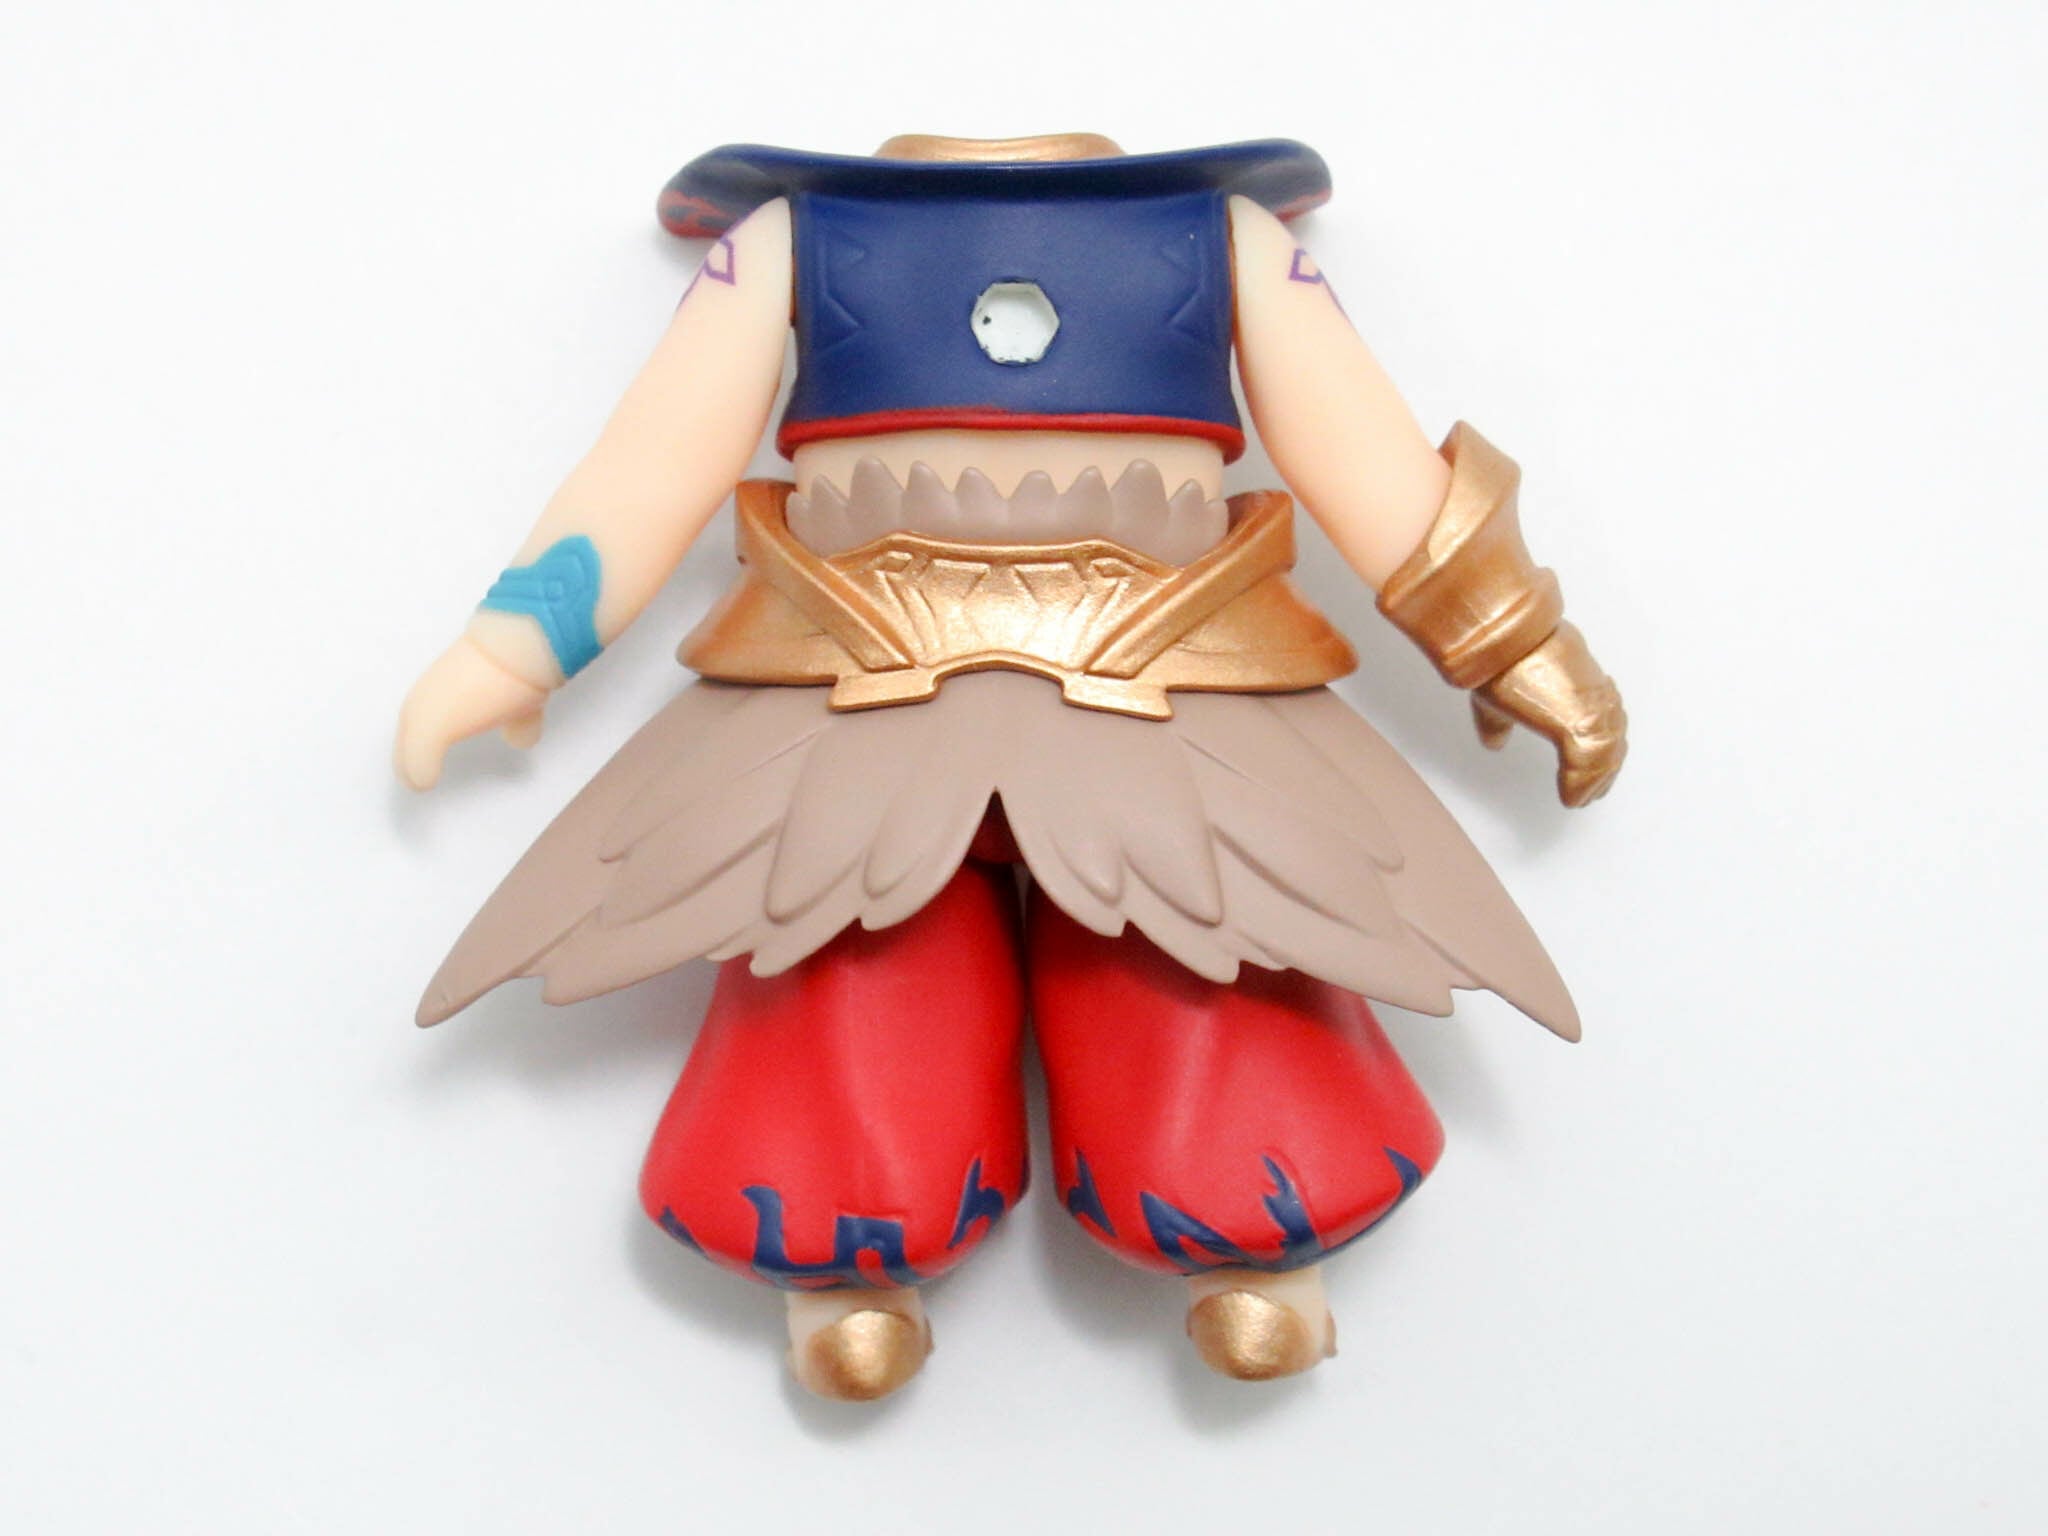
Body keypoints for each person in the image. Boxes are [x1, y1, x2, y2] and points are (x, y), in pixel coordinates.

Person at [395, 133, 1626, 1402]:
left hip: (1162, 663)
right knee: (833, 937)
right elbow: (653, 464)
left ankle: (1246, 1224)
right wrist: (514, 649)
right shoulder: (792, 242)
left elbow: (1367, 458)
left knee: (1214, 936)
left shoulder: (1217, 237)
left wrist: (1514, 648)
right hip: (858, 668)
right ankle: (848, 1242)